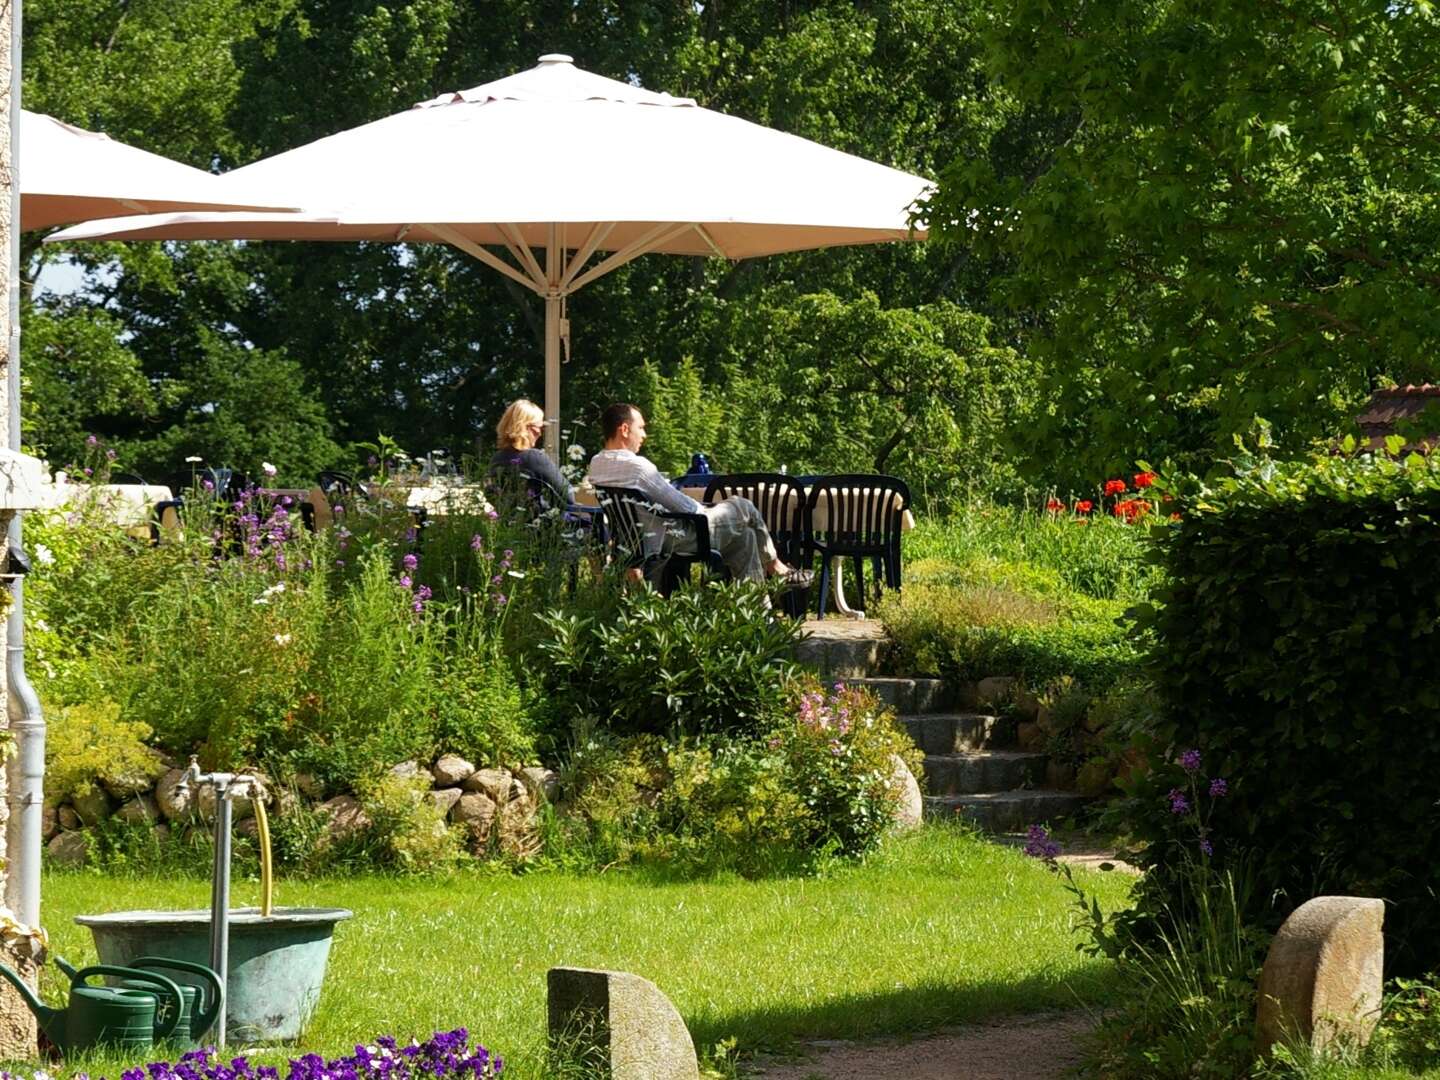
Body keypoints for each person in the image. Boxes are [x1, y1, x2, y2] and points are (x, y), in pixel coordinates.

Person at [586, 402, 813, 588]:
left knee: (746, 539)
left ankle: (760, 618)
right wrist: (704, 507)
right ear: (624, 429)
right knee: (742, 505)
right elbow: (686, 508)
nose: (644, 435)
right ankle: (777, 567)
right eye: (641, 428)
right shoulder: (638, 468)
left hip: (636, 542)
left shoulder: (595, 465)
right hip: (673, 539)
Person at [490, 399, 573, 506]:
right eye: (538, 427)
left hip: (511, 521)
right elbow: (569, 497)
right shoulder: (534, 458)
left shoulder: (496, 459)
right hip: (542, 520)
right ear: (523, 427)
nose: (540, 433)